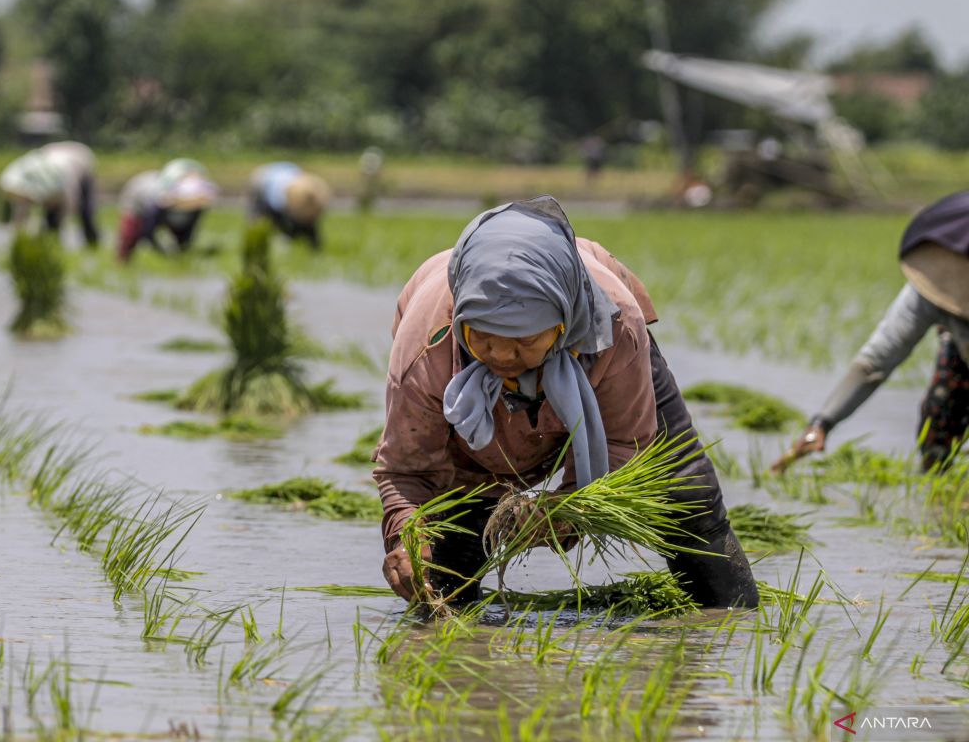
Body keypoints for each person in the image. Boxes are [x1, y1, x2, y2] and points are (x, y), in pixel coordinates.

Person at [374, 196, 759, 609]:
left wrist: (565, 509)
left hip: (601, 353)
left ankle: (731, 629)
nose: (502, 358)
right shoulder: (428, 347)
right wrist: (408, 537)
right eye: (483, 339)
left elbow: (624, 448)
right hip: (463, 408)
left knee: (686, 497)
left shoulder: (613, 327)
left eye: (523, 341)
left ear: (561, 326)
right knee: (449, 564)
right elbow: (407, 470)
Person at [775, 191, 969, 474]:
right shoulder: (931, 286)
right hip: (960, 352)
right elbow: (875, 361)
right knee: (938, 425)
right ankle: (939, 493)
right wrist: (822, 424)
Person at [116, 159, 219, 262]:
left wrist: (180, 252)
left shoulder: (198, 204)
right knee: (130, 235)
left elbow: (189, 231)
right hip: (139, 205)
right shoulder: (155, 196)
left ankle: (179, 260)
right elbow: (147, 231)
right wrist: (160, 250)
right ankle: (122, 262)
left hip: (165, 208)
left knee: (182, 239)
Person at [0, 141, 99, 247]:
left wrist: (61, 218)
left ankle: (92, 244)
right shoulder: (28, 180)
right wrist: (18, 235)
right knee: (50, 221)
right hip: (52, 157)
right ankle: (51, 244)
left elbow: (72, 205)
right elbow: (21, 212)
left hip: (81, 160)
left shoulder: (66, 181)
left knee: (85, 213)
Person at [248, 162, 330, 249]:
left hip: (283, 172)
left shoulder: (304, 190)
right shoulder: (281, 196)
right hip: (263, 183)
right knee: (259, 221)